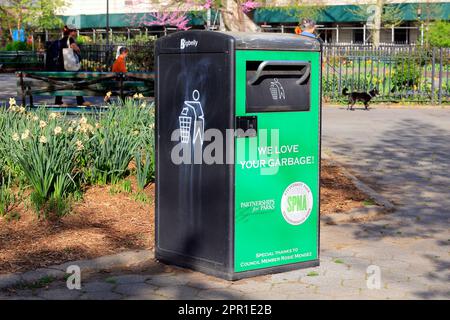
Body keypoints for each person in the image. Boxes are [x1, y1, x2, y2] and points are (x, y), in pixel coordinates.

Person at [55, 25, 89, 106]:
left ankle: (58, 101)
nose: (75, 32)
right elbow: (76, 48)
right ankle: (81, 101)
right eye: (74, 31)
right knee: (77, 82)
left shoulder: (61, 40)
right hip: (70, 67)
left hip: (61, 66)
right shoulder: (70, 39)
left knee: (61, 84)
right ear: (71, 32)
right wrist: (77, 49)